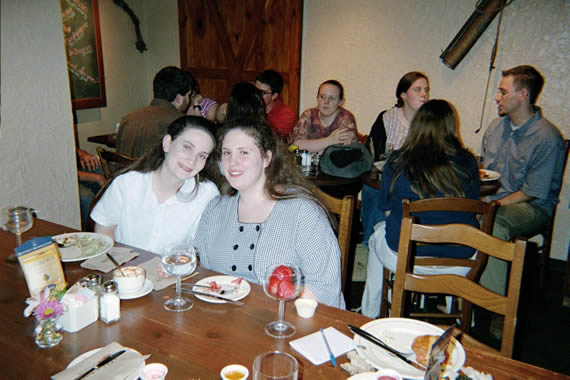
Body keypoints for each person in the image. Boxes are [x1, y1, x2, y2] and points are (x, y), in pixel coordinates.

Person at [194, 117, 345, 308]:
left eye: (244, 153)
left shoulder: (302, 212)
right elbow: (203, 271)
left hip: (286, 324)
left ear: (266, 158)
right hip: (221, 321)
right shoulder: (215, 209)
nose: (232, 162)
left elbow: (325, 289)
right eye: (227, 153)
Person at [360, 99, 480, 318]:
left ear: (417, 126)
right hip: (459, 261)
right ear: (451, 127)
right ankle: (460, 312)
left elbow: (388, 211)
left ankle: (370, 312)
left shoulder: (397, 161)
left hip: (404, 257)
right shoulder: (469, 162)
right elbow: (472, 208)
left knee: (378, 233)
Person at [479, 65, 564, 295]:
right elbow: (483, 170)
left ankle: (496, 307)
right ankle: (457, 294)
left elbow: (532, 191)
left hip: (532, 205)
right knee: (456, 210)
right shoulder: (496, 127)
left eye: (503, 92)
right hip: (495, 198)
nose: (498, 97)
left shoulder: (547, 138)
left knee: (493, 223)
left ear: (523, 95)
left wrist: (494, 205)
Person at [91, 116, 220, 254]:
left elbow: (204, 249)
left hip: (174, 272)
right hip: (126, 271)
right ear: (167, 143)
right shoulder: (128, 184)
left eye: (202, 156)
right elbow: (104, 232)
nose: (192, 160)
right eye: (187, 147)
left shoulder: (207, 195)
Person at [361, 72, 430, 247]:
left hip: (417, 180)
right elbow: (376, 153)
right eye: (418, 89)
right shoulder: (387, 118)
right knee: (372, 191)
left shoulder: (430, 122)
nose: (424, 94)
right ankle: (371, 242)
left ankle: (398, 244)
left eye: (426, 90)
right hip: (388, 174)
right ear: (403, 94)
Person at [116, 66, 192, 158]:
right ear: (179, 98)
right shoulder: (180, 122)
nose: (189, 100)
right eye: (189, 95)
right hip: (152, 171)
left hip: (124, 171)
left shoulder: (128, 119)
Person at [290, 79, 357, 152]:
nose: (326, 102)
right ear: (317, 98)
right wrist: (330, 141)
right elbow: (295, 145)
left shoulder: (345, 118)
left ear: (341, 102)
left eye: (332, 98)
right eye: (322, 97)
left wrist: (311, 146)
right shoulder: (308, 115)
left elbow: (342, 152)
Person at [255, 70, 297, 138]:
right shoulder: (249, 107)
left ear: (274, 96)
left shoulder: (286, 115)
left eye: (262, 93)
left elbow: (275, 140)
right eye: (255, 90)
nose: (256, 95)